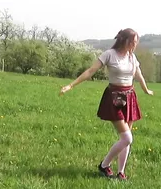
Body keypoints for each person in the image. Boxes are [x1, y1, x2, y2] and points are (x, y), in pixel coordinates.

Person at [59, 28, 154, 180]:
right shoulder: (109, 54)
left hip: (129, 97)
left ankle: (121, 172)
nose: (135, 45)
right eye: (134, 42)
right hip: (114, 98)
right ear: (125, 41)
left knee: (127, 137)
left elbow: (138, 74)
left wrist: (146, 89)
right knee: (127, 138)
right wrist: (71, 85)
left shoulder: (132, 57)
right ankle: (104, 165)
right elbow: (90, 71)